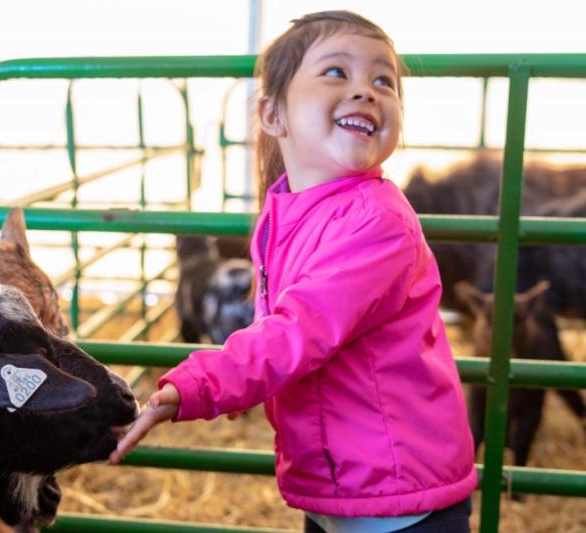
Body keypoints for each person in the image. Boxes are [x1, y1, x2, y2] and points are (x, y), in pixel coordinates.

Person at [111, 10, 477, 532]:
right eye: (336, 72)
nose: (366, 91)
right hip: (344, 485)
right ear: (272, 115)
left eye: (383, 80)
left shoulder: (377, 221)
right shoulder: (286, 212)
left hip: (396, 498)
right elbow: (279, 329)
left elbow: (295, 334)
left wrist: (204, 384)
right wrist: (250, 383)